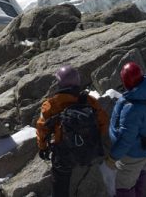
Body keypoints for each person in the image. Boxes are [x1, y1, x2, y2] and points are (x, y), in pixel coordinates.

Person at [36, 65, 109, 197]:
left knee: (59, 182)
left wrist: (42, 147)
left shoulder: (50, 105)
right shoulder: (89, 101)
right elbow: (103, 121)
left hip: (64, 153)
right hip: (89, 149)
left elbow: (42, 128)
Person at [108, 62, 146, 197]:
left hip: (133, 154)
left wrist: (113, 157)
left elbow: (126, 138)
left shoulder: (132, 109)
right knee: (139, 178)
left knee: (124, 187)